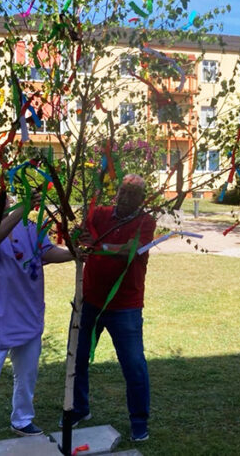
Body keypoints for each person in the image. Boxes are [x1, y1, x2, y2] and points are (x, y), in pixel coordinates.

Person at [0, 185, 73, 456]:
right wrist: (22, 208)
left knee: (27, 375)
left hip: (27, 318)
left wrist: (75, 254)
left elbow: (47, 253)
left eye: (1, 191)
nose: (1, 195)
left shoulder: (29, 226)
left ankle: (22, 419)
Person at [66, 174, 156, 442]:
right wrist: (77, 236)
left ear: (142, 198)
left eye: (134, 193)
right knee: (77, 357)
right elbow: (78, 236)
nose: (126, 197)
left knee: (133, 364)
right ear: (116, 192)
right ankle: (80, 409)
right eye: (123, 191)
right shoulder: (100, 213)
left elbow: (129, 250)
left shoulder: (146, 221)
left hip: (125, 306)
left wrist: (97, 245)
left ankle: (139, 421)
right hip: (89, 300)